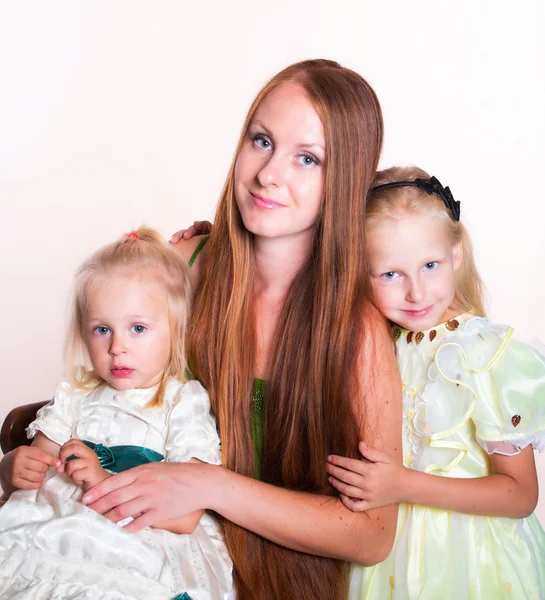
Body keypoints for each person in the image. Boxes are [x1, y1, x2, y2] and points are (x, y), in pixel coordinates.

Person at [82, 59, 403, 600]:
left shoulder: (355, 333)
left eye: (307, 158)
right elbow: (108, 383)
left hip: (276, 579)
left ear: (342, 180)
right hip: (150, 548)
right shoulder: (187, 263)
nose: (269, 173)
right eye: (261, 141)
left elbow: (372, 534)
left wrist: (211, 485)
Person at [326, 166, 545, 599]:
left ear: (456, 256)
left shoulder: (483, 355)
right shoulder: (378, 346)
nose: (415, 292)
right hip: (391, 556)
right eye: (391, 274)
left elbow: (520, 494)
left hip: (474, 561)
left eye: (429, 265)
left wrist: (402, 485)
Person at [0, 227, 232, 600]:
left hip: (136, 540)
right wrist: (12, 468)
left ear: (177, 330)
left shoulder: (182, 402)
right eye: (102, 329)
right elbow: (36, 470)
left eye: (137, 328)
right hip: (53, 533)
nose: (117, 347)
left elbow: (186, 517)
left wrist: (101, 481)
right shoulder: (76, 391)